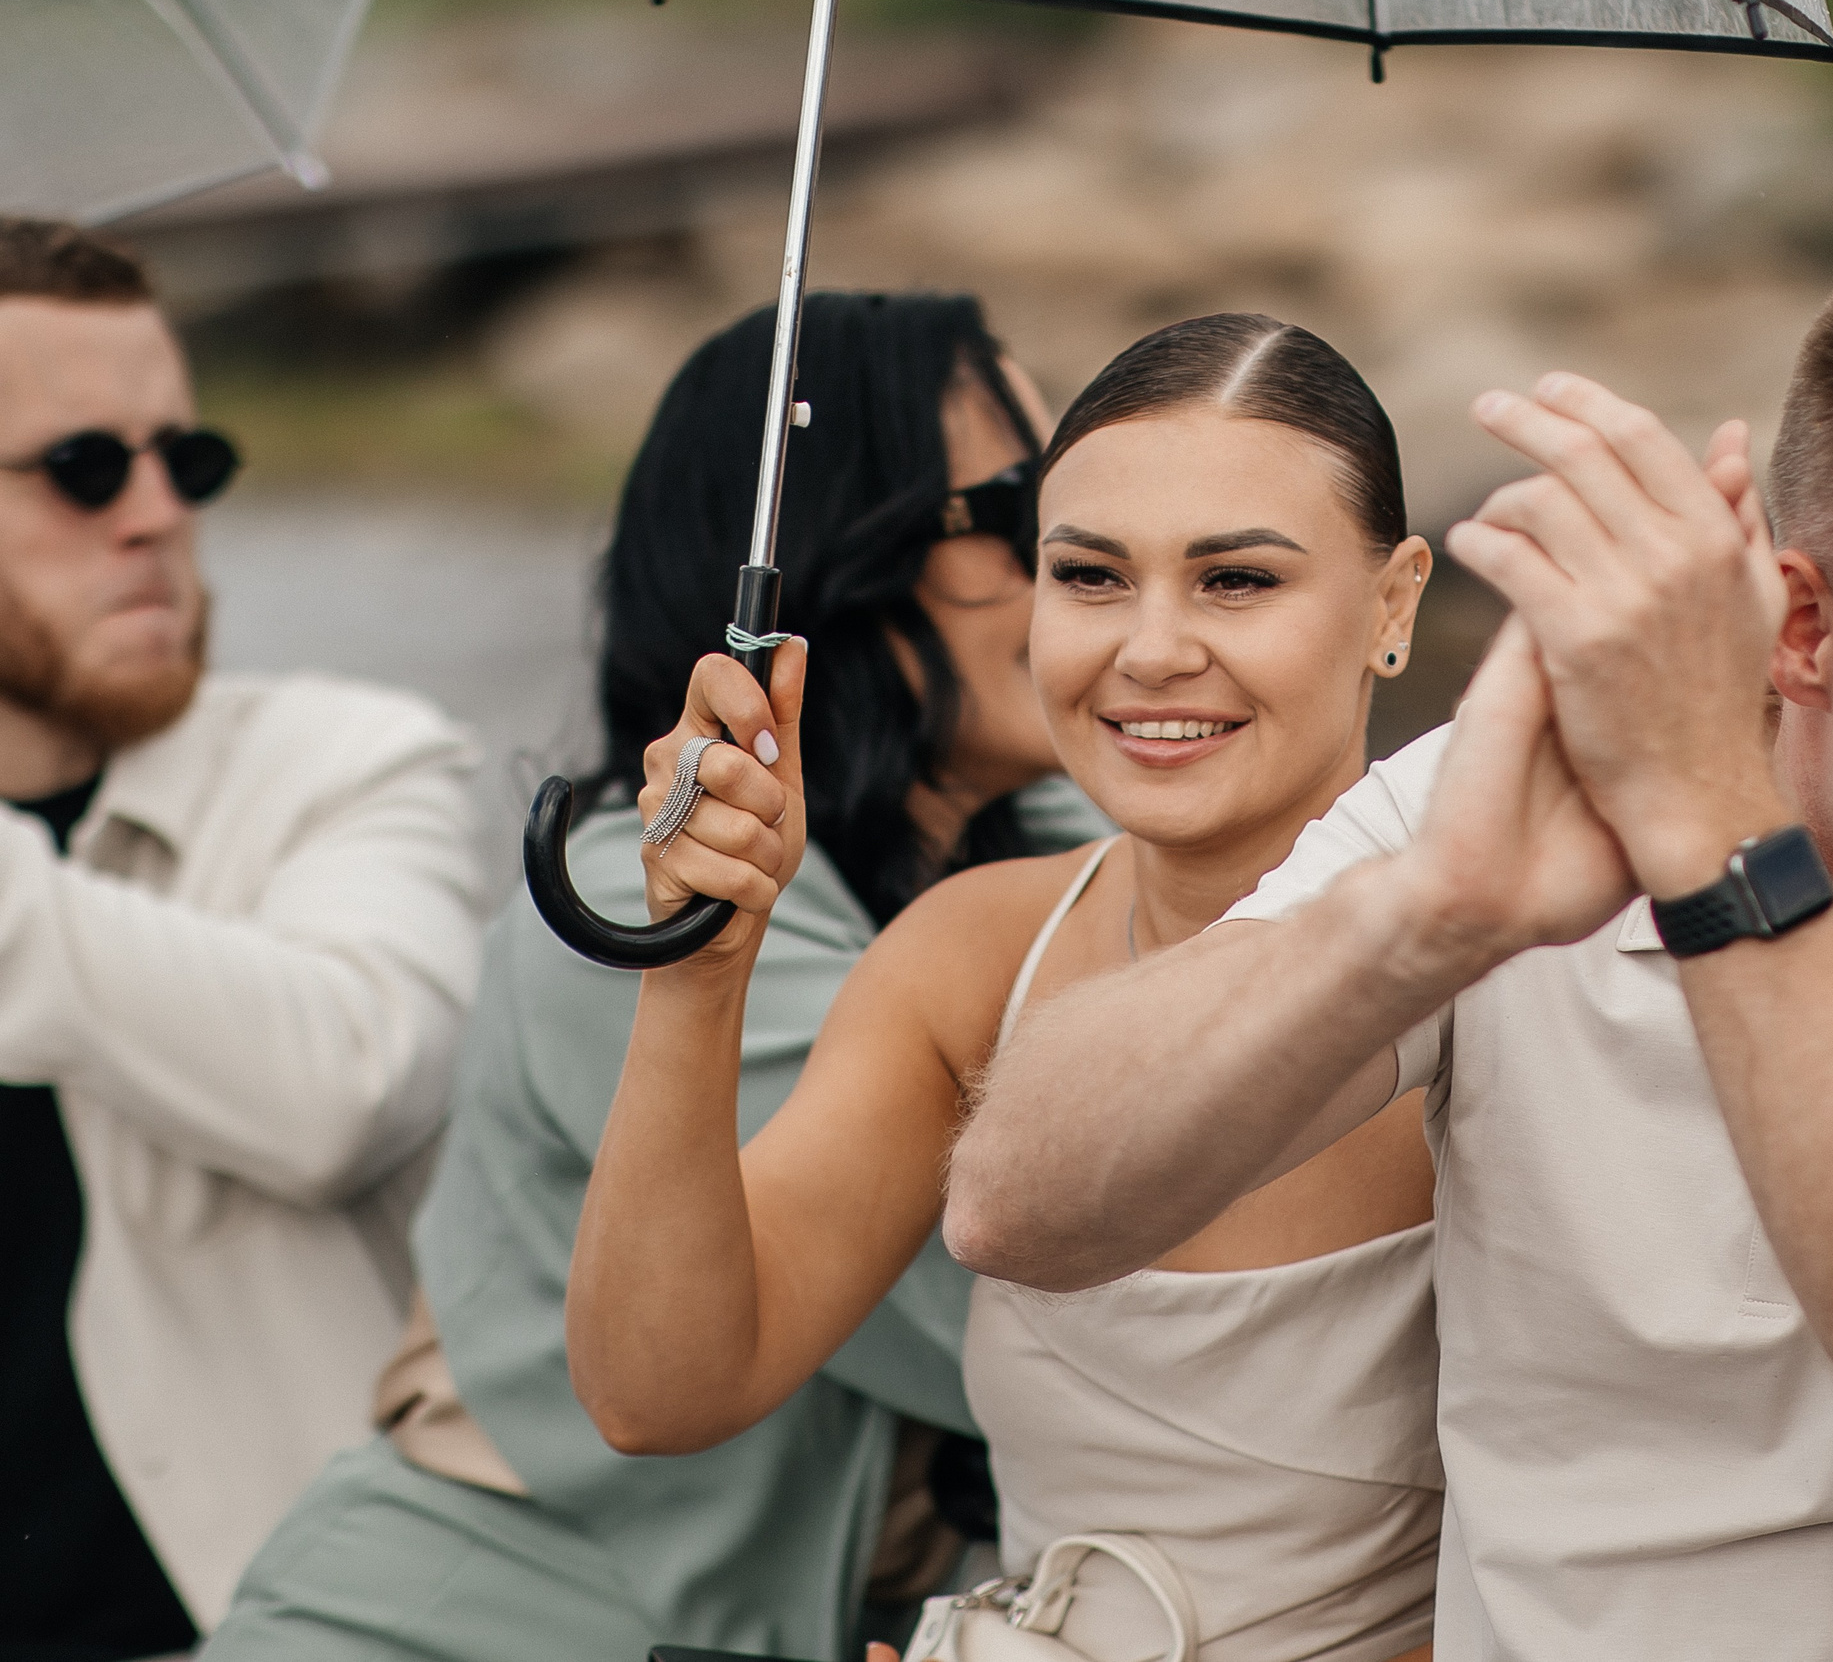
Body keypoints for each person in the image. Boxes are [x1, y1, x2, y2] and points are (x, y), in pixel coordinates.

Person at [948, 247, 1833, 1660]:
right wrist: (1428, 918)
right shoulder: (1496, 804)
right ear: (1806, 628)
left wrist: (1716, 831)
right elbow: (1026, 1206)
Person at [205, 292, 1105, 1662]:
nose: (1085, 561)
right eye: (1023, 504)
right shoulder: (642, 908)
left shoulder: (1055, 852)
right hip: (460, 1625)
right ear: (837, 560)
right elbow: (1036, 1301)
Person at [569, 313, 1442, 1662]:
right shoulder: (974, 954)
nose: (1150, 650)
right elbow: (660, 1387)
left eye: (1237, 584)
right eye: (1090, 577)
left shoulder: (1502, 977)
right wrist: (701, 967)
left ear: (1393, 605)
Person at [0, 218, 484, 1652]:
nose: (155, 513)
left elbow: (344, 1084)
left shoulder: (348, 761)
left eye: (184, 461)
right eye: (85, 467)